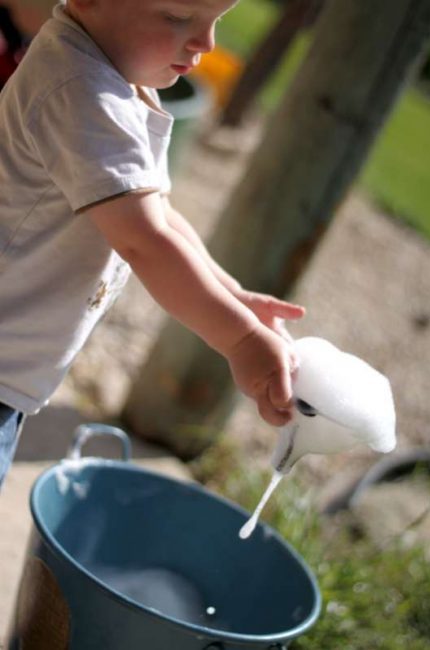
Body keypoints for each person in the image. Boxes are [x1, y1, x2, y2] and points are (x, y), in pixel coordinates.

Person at [0, 0, 305, 488]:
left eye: (215, 22)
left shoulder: (117, 75)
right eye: (179, 16)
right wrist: (240, 338)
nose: (205, 43)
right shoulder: (80, 90)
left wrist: (231, 295)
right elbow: (145, 239)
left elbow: (157, 212)